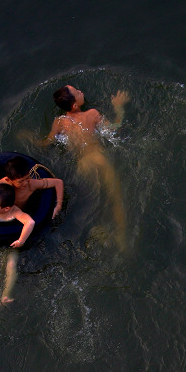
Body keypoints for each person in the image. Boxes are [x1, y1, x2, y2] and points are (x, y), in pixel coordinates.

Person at [37, 85, 130, 250]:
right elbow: (114, 130)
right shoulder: (92, 114)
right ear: (75, 105)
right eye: (78, 92)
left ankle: (96, 229)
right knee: (115, 197)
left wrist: (31, 139)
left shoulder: (59, 122)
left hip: (82, 166)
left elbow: (47, 144)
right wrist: (119, 108)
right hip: (99, 159)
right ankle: (122, 239)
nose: (82, 91)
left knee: (93, 200)